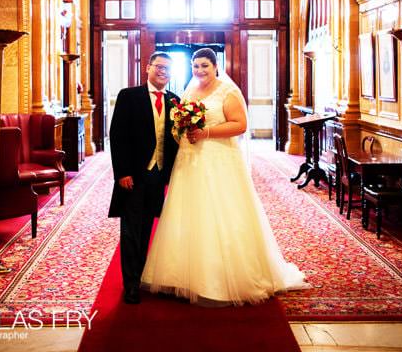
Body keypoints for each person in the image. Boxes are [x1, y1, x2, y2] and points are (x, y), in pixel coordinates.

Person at [141, 48, 309, 305]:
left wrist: (206, 133)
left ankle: (218, 278)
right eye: (195, 66)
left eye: (205, 66)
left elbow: (240, 125)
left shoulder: (227, 92)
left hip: (218, 159)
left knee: (218, 211)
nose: (199, 71)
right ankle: (180, 275)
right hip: (189, 159)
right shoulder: (189, 91)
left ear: (216, 66)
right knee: (188, 212)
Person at [109, 52, 180, 304]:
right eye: (159, 67)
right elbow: (117, 136)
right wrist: (123, 173)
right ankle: (130, 284)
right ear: (148, 67)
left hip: (159, 175)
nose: (163, 72)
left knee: (147, 228)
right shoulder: (129, 96)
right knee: (130, 230)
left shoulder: (175, 101)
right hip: (134, 175)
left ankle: (141, 276)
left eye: (167, 69)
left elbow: (174, 141)